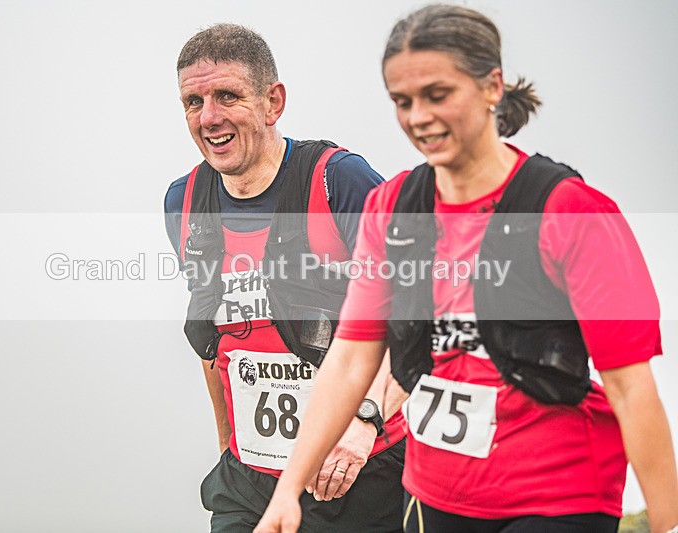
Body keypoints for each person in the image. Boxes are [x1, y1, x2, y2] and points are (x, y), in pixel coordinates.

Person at [255, 5, 678, 533]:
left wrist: (666, 525)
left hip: (555, 496)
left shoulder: (571, 211)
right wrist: (288, 489)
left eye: (438, 95)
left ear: (492, 86)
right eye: (402, 102)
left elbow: (631, 388)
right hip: (437, 495)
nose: (418, 117)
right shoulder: (391, 209)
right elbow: (350, 359)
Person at [163, 23, 407, 533]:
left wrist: (364, 420)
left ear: (273, 102)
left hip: (357, 471)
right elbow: (215, 342)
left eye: (227, 96)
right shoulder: (184, 203)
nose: (209, 118)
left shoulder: (338, 181)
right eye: (193, 101)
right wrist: (230, 448)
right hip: (249, 481)